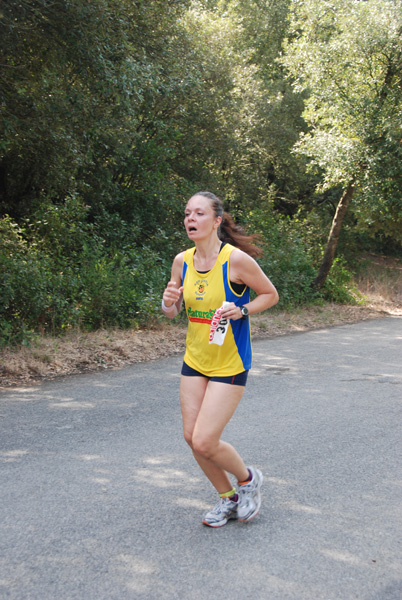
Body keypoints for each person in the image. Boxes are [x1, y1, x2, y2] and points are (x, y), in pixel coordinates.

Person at [161, 191, 279, 527]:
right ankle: (227, 499)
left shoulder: (236, 261)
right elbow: (172, 312)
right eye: (186, 214)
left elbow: (271, 294)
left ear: (216, 221)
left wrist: (241, 310)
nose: (190, 219)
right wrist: (169, 302)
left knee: (204, 439)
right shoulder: (181, 261)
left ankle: (247, 480)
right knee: (190, 436)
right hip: (195, 359)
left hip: (229, 362)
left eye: (198, 213)